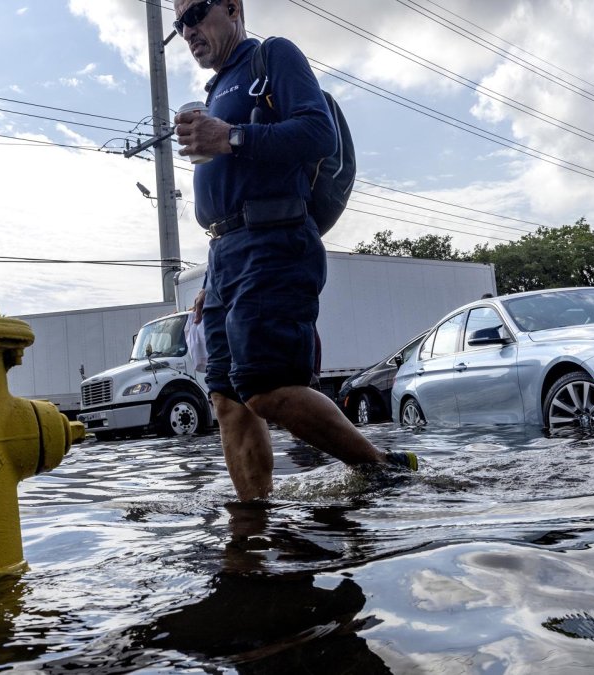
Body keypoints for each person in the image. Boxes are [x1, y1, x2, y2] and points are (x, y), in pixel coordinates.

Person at [172, 0, 417, 501]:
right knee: (226, 399)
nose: (187, 29)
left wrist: (232, 135)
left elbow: (317, 132)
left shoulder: (274, 57)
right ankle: (254, 519)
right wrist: (211, 281)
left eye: (195, 13)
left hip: (275, 239)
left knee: (264, 387)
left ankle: (382, 467)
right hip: (226, 253)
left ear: (232, 8)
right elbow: (228, 193)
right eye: (179, 24)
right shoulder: (216, 90)